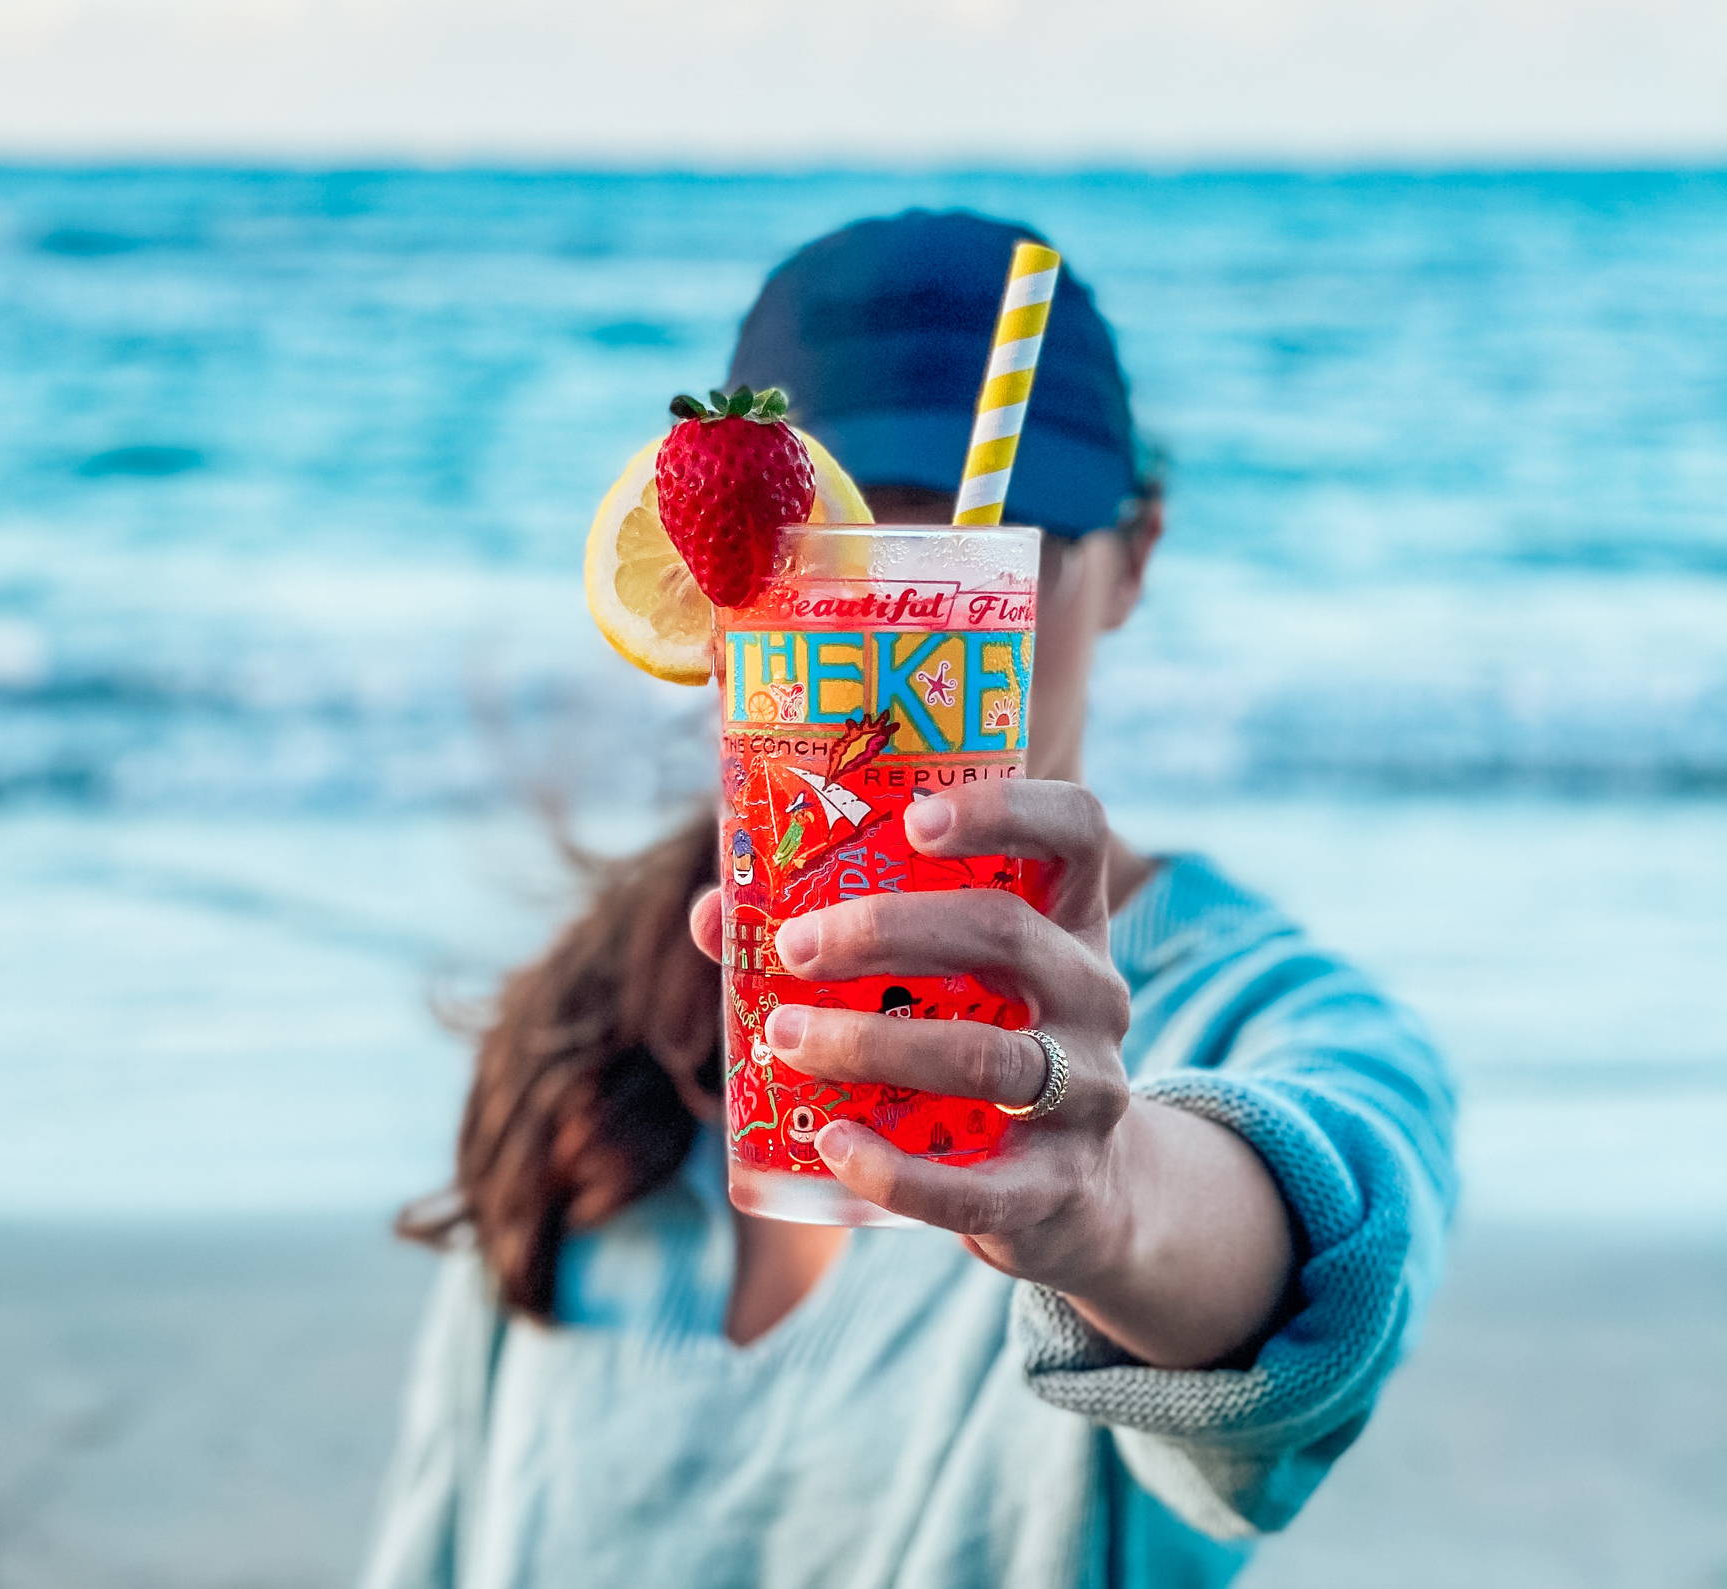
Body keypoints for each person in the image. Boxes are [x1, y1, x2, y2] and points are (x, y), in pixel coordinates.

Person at [364, 211, 1456, 1588]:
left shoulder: (1260, 1007)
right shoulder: (595, 1019)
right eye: (842, 548)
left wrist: (1113, 1205)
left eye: (1007, 545)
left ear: (1139, 556)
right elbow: (441, 1530)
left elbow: (1345, 1245)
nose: (909, 635)